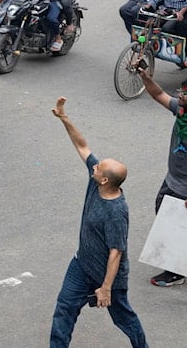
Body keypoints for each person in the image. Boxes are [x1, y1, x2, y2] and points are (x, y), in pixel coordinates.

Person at [48, 98, 148, 348]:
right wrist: (64, 118)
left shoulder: (116, 211)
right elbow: (82, 146)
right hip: (82, 265)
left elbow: (116, 253)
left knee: (124, 319)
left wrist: (105, 288)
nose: (93, 167)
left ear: (105, 181)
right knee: (64, 310)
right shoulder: (98, 183)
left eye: (98, 169)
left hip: (108, 276)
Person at [139, 68, 187, 288]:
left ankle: (175, 273)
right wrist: (146, 78)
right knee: (165, 220)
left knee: (175, 230)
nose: (179, 96)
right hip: (172, 180)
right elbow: (158, 95)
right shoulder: (182, 111)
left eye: (185, 94)